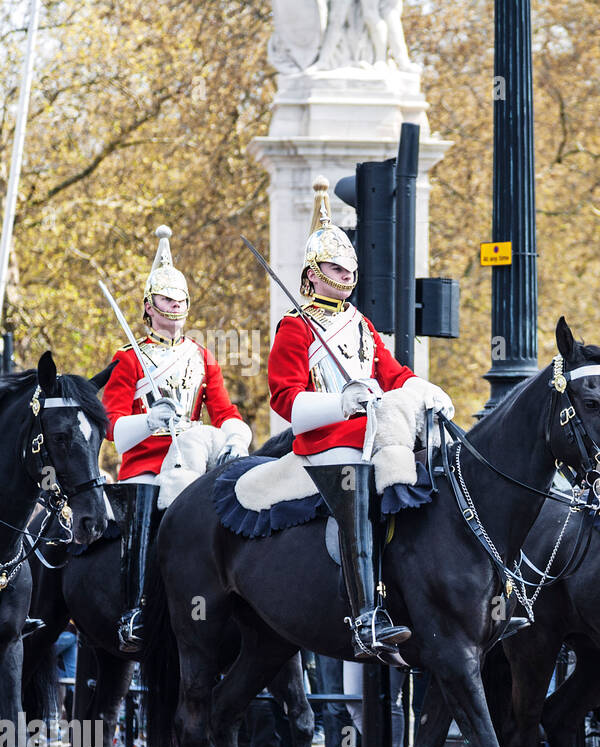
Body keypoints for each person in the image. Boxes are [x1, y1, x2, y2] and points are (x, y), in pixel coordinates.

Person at [267, 177, 452, 665]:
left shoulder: (362, 324)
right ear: (311, 273)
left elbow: (393, 374)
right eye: (333, 266)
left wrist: (424, 390)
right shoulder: (294, 325)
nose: (345, 273)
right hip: (328, 439)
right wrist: (339, 403)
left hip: (373, 430)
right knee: (358, 475)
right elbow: (284, 398)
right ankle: (366, 615)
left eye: (349, 266)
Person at [101, 225, 252, 651]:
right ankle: (135, 609)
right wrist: (150, 421)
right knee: (146, 507)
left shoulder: (202, 356)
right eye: (168, 299)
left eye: (182, 300)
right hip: (146, 466)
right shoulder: (127, 359)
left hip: (192, 465)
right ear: (149, 306)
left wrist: (234, 439)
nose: (177, 306)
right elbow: (112, 426)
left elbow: (225, 412)